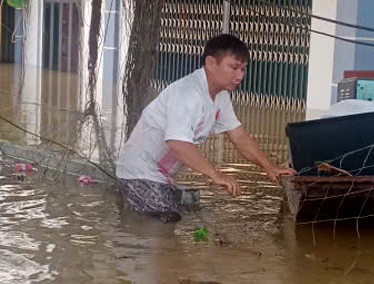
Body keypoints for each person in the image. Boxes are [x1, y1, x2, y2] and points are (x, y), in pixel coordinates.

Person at [116, 34, 295, 222]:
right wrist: (215, 175)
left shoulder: (221, 96)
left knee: (175, 218)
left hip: (161, 175)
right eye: (233, 68)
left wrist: (269, 167)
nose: (240, 76)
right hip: (139, 172)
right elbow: (178, 144)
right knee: (165, 224)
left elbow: (238, 136)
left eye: (243, 69)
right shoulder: (188, 93)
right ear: (210, 63)